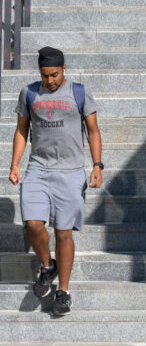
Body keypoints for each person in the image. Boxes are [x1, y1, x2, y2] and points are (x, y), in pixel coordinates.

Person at [9, 46, 103, 316]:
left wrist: (97, 165)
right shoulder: (29, 93)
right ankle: (47, 267)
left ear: (64, 69)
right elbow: (21, 131)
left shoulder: (79, 92)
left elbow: (94, 131)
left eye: (54, 74)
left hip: (71, 171)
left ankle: (63, 291)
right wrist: (15, 164)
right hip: (38, 169)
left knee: (63, 232)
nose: (50, 80)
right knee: (34, 224)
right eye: (45, 75)